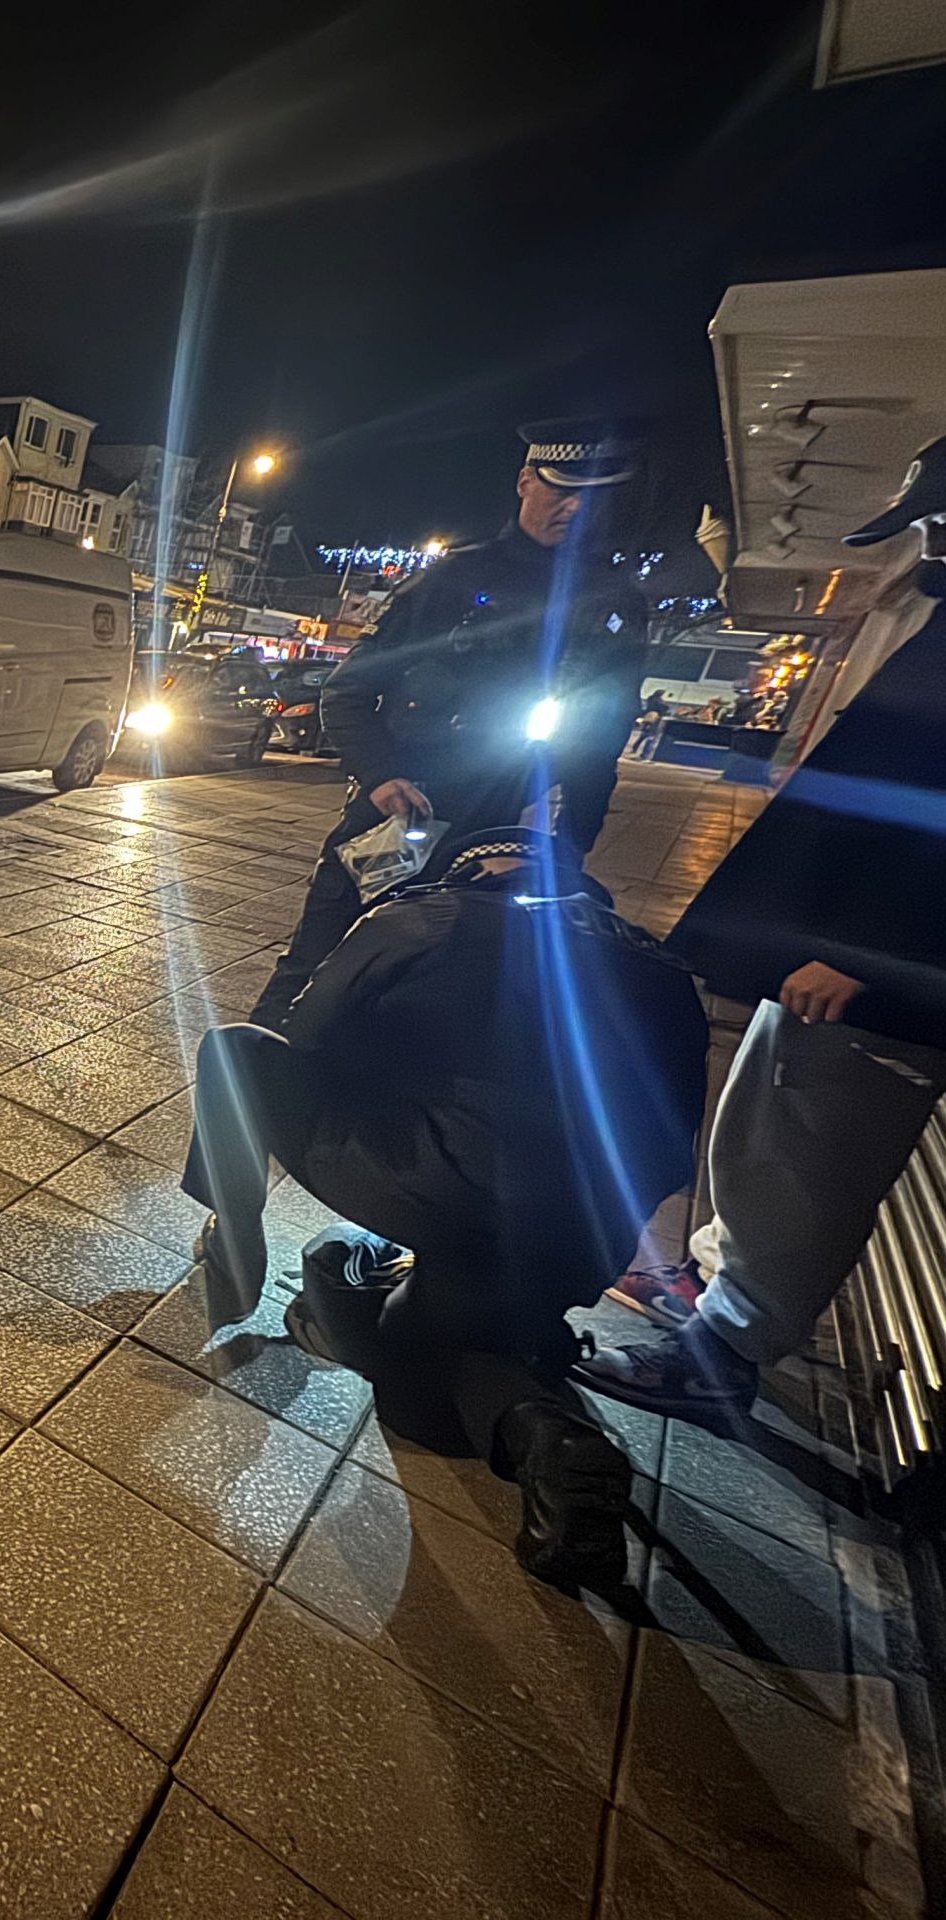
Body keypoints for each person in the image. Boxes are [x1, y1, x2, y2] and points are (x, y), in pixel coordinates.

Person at [183, 829, 709, 1583]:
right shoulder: (661, 965)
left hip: (444, 1187)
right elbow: (672, 1135)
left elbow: (300, 1039)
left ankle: (232, 1240)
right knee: (444, 1349)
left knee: (236, 1051)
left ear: (476, 866)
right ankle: (548, 1438)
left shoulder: (434, 911)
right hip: (593, 1229)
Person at [579, 433, 946, 1416]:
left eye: (941, 526)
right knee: (761, 1127)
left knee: (807, 1167)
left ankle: (722, 1359)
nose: (930, 547)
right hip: (831, 958)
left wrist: (873, 958)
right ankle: (711, 1289)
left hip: (879, 985)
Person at [249, 420, 651, 1028]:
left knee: (429, 1018)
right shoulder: (452, 580)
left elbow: (599, 751)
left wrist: (560, 855)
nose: (576, 509)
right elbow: (348, 692)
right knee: (309, 985)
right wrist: (384, 777)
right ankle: (238, 1111)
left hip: (501, 849)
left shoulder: (616, 602)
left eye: (594, 498)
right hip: (397, 829)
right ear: (524, 482)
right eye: (563, 490)